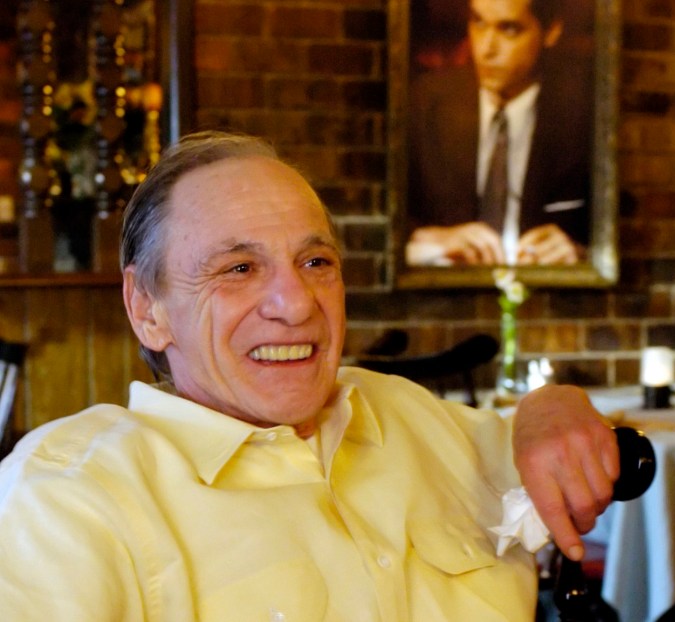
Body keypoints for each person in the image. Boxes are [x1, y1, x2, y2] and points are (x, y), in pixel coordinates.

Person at [0, 130, 617, 620]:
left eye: (315, 260)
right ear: (147, 309)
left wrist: (550, 405)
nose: (296, 304)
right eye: (239, 269)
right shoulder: (70, 499)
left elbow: (540, 449)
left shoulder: (405, 414)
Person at [406, 0, 592, 267]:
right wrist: (425, 237)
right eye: (479, 23)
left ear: (551, 31)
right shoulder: (423, 105)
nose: (486, 48)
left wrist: (581, 253)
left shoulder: (582, 114)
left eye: (509, 30)